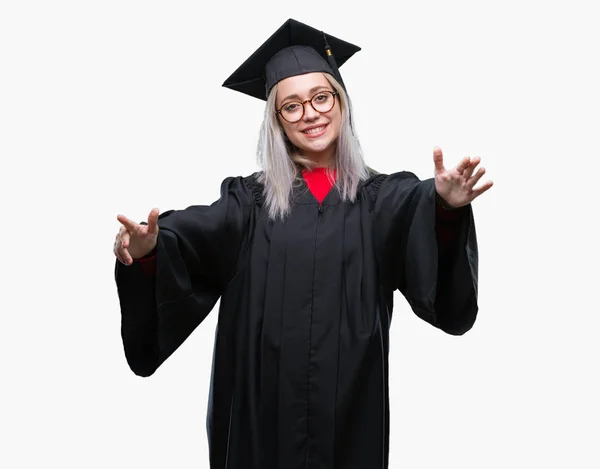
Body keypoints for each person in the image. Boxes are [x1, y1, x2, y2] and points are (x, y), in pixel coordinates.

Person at [113, 18, 493, 469]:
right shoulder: (248, 204)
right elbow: (186, 240)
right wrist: (148, 252)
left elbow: (425, 232)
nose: (310, 113)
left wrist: (445, 209)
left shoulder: (381, 201)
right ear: (276, 121)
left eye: (320, 97)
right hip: (259, 420)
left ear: (341, 102)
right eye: (290, 106)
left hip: (350, 416)